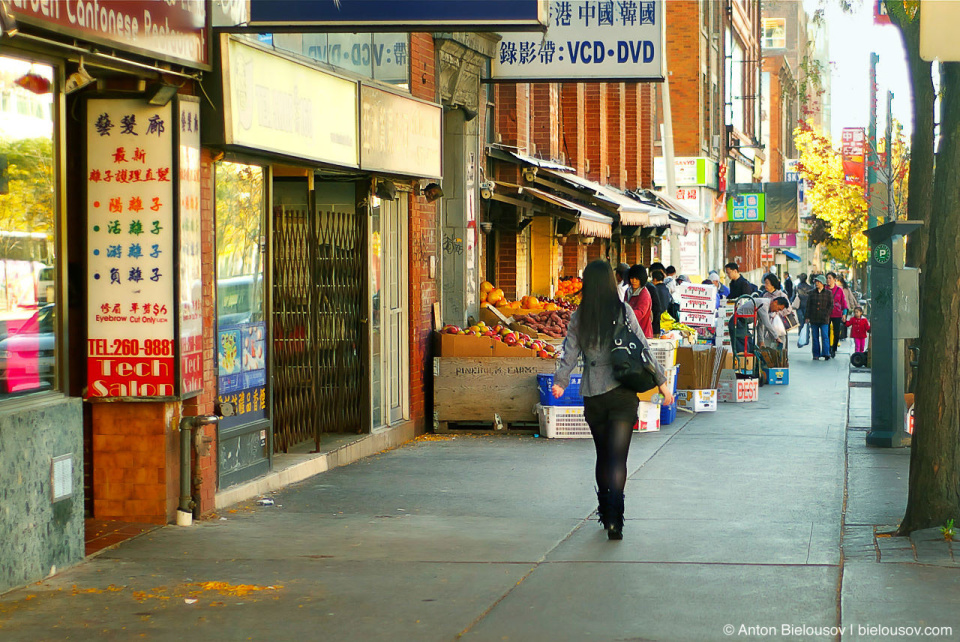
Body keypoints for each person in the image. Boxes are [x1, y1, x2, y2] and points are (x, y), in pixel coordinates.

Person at [552, 260, 673, 541]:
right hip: (622, 394)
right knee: (618, 459)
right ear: (610, 282)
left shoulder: (580, 316)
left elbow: (569, 353)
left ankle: (605, 514)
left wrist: (560, 382)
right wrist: (663, 385)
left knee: (603, 456)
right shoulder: (623, 310)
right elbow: (643, 350)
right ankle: (615, 523)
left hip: (594, 395)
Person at [806, 275, 833, 360]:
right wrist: (807, 317)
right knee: (815, 337)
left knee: (825, 336)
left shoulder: (828, 293)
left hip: (824, 319)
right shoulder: (811, 293)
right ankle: (816, 354)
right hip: (814, 318)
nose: (816, 283)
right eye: (816, 282)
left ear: (822, 283)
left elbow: (831, 305)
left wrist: (827, 314)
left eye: (818, 282)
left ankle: (826, 353)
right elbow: (808, 306)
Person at [625, 264, 654, 338]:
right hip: (631, 333)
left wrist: (624, 314)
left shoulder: (644, 294)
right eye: (632, 278)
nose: (634, 281)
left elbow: (640, 313)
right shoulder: (628, 291)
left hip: (643, 334)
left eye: (637, 279)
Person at [826, 272, 848, 358]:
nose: (828, 280)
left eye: (830, 278)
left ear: (834, 280)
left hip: (837, 314)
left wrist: (844, 314)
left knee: (836, 332)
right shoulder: (824, 289)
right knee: (826, 333)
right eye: (827, 278)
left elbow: (844, 303)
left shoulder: (839, 290)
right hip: (826, 314)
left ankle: (834, 349)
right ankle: (827, 349)